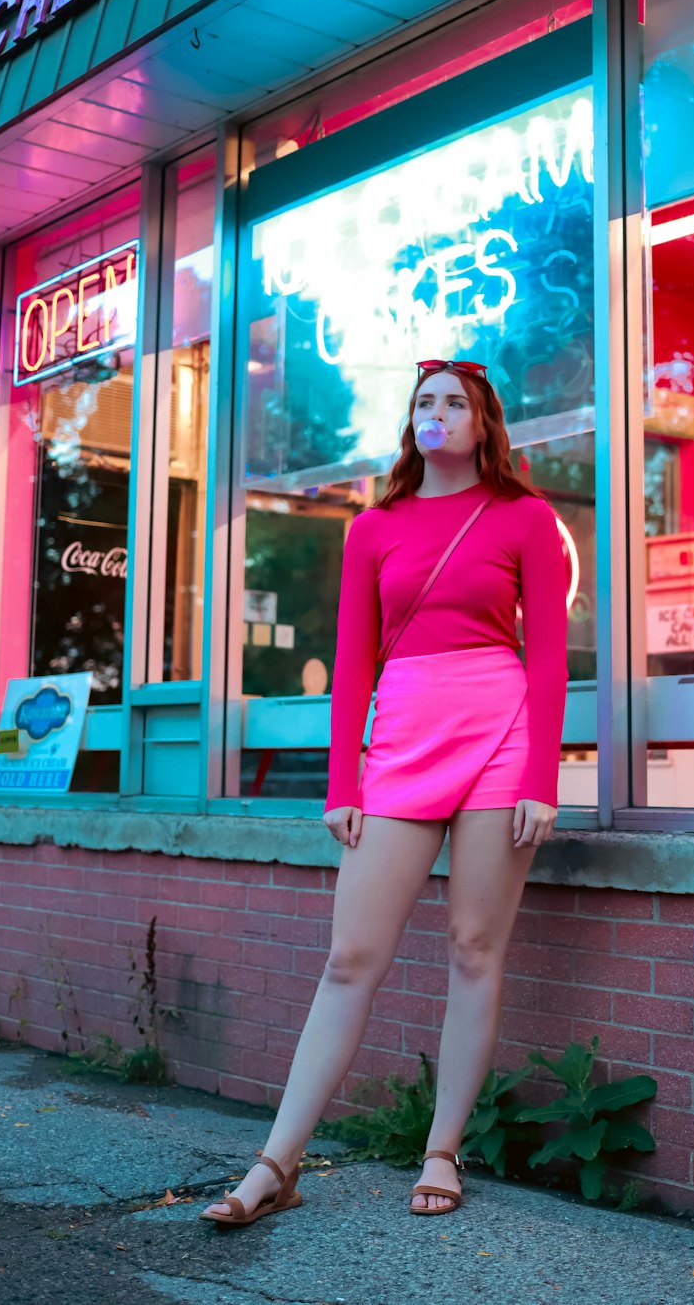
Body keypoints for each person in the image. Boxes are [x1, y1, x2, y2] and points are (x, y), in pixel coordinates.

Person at [201, 359, 569, 1226]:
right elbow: (353, 666)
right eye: (425, 402)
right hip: (402, 739)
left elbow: (547, 657)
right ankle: (275, 1162)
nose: (437, 413)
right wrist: (342, 782)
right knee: (349, 958)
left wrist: (542, 777)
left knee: (474, 948)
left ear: (484, 422)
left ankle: (443, 1148)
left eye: (455, 401)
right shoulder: (372, 528)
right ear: (410, 423)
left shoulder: (527, 517)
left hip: (499, 736)